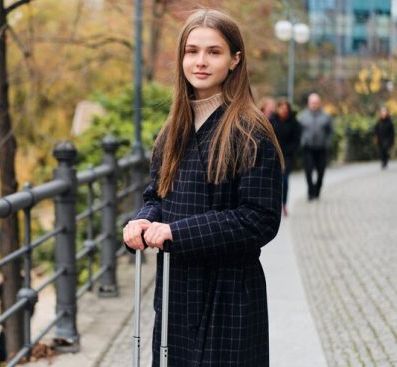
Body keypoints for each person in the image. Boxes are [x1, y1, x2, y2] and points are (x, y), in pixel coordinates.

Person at [123, 9, 283, 366]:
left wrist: (177, 232)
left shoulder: (250, 131)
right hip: (176, 292)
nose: (200, 61)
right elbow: (157, 195)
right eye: (192, 51)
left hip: (229, 294)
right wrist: (144, 220)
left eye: (214, 52)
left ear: (234, 60)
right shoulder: (172, 130)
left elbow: (259, 219)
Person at [297, 93, 333, 200]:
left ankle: (317, 190)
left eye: (316, 103)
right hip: (308, 148)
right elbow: (298, 131)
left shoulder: (326, 116)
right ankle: (310, 192)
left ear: (319, 103)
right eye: (312, 103)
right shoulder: (302, 116)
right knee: (308, 171)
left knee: (321, 172)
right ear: (308, 103)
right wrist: (302, 141)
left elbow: (330, 131)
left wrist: (327, 142)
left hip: (321, 149)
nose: (314, 105)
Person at [271, 99, 301, 216]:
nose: (283, 111)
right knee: (274, 181)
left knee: (284, 180)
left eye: (285, 108)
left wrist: (290, 151)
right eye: (281, 108)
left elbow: (296, 140)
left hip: (287, 156)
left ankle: (284, 203)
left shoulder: (294, 123)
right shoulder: (272, 121)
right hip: (273, 155)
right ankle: (275, 204)